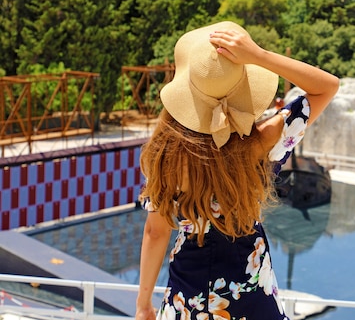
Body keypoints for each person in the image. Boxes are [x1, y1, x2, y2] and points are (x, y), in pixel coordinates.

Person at [135, 21, 339, 320]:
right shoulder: (266, 140)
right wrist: (258, 55)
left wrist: (143, 304)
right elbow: (327, 86)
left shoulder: (165, 155)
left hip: (188, 297)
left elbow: (155, 232)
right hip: (251, 293)